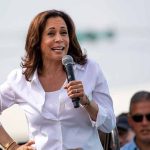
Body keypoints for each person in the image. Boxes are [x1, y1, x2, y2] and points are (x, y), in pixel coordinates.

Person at [0, 9, 116, 150]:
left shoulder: (90, 69)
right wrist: (12, 146)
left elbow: (109, 124)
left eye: (63, 33)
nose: (59, 39)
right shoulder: (20, 79)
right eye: (51, 33)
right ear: (37, 40)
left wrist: (87, 102)